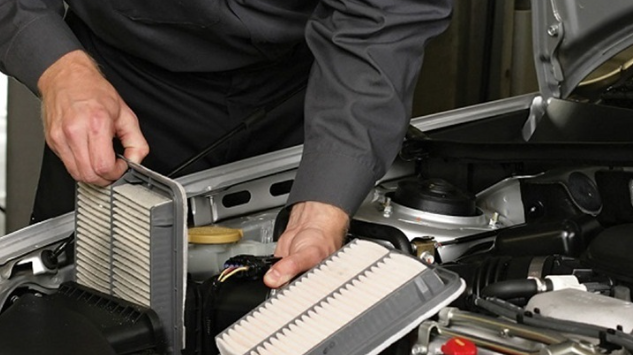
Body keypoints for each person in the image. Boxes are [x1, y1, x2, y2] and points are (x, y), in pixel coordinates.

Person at [0, 0, 452, 288]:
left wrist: (327, 199)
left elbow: (387, 15)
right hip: (116, 88)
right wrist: (60, 70)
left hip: (315, 95)